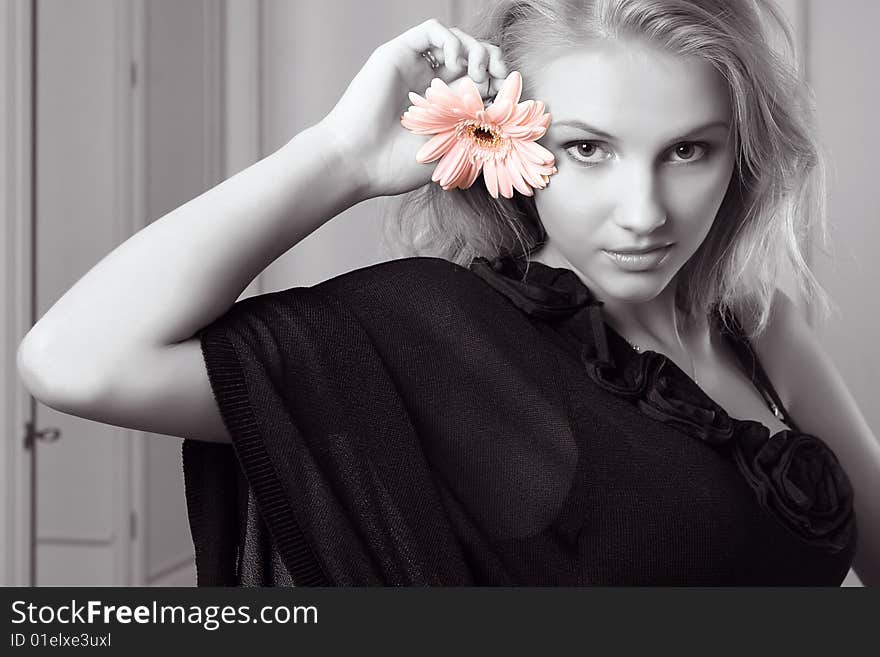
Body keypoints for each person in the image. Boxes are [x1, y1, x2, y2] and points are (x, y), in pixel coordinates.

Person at [17, 0, 878, 586]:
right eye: (587, 149)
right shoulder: (444, 335)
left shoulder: (760, 323)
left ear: (743, 154)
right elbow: (74, 360)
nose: (645, 212)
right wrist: (342, 158)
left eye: (689, 151)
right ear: (508, 140)